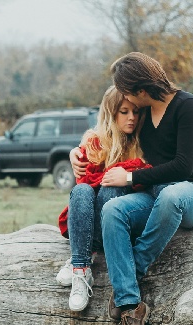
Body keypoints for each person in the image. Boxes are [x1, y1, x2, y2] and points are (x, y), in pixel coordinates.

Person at [73, 52, 193, 325]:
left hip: (192, 194)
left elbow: (183, 167)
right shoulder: (142, 116)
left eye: (125, 90)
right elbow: (107, 133)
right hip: (154, 194)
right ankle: (130, 305)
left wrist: (128, 179)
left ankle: (132, 273)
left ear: (139, 89)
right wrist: (76, 152)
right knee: (113, 210)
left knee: (171, 194)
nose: (125, 99)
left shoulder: (187, 106)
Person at [56, 85, 149, 312]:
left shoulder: (142, 143)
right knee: (81, 191)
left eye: (135, 112)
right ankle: (81, 269)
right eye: (124, 112)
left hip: (118, 225)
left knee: (110, 189)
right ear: (111, 112)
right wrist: (74, 153)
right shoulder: (95, 142)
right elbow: (84, 183)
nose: (132, 118)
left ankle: (82, 255)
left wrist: (125, 176)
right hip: (89, 220)